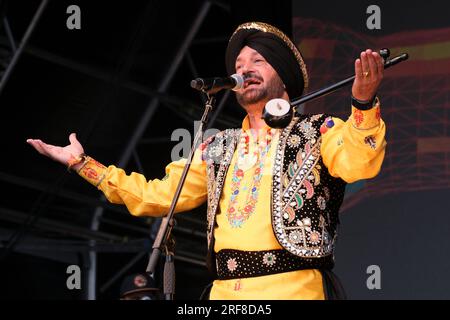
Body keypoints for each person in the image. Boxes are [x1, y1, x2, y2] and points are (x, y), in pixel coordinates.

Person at [27, 22, 386, 300]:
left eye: (258, 61)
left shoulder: (319, 130)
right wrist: (82, 164)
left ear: (284, 76)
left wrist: (363, 105)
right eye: (239, 65)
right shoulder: (217, 147)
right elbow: (158, 196)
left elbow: (359, 163)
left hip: (293, 289)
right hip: (222, 293)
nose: (245, 69)